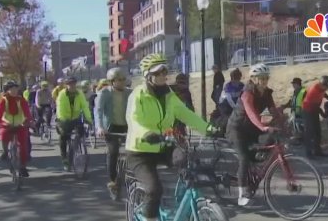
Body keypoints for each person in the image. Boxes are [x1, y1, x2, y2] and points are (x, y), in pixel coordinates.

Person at [125, 53, 218, 221]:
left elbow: (186, 114)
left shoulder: (169, 95)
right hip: (140, 151)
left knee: (186, 161)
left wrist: (208, 128)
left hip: (162, 145)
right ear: (147, 75)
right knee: (154, 189)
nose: (162, 76)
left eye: (164, 72)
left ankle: (182, 202)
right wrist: (146, 134)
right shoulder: (137, 95)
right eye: (157, 73)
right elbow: (133, 121)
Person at [225, 63, 281, 206]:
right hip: (236, 129)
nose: (264, 81)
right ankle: (242, 193)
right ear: (254, 79)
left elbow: (274, 110)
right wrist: (263, 126)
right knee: (244, 158)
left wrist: (284, 125)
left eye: (266, 78)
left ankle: (254, 168)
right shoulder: (247, 93)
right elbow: (251, 113)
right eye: (261, 78)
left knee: (269, 141)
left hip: (250, 128)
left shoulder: (267, 93)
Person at [95, 67, 132, 198]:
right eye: (119, 80)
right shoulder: (105, 93)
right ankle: (112, 181)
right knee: (113, 151)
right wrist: (100, 127)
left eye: (123, 79)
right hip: (111, 128)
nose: (122, 82)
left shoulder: (130, 93)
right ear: (112, 81)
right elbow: (98, 111)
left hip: (127, 126)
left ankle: (133, 176)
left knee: (135, 150)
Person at [0, 81, 33, 177]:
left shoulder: (21, 100)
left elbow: (27, 112)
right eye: (12, 88)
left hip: (20, 125)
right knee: (4, 134)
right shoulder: (4, 100)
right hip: (7, 124)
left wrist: (28, 121)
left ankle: (22, 166)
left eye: (16, 88)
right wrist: (2, 123)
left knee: (23, 147)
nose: (14, 90)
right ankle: (5, 152)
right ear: (8, 90)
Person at [56, 77, 92, 171]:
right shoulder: (62, 94)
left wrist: (89, 119)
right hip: (64, 118)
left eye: (73, 83)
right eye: (69, 84)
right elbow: (60, 108)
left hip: (76, 118)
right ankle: (64, 158)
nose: (72, 85)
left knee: (81, 132)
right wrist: (63, 119)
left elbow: (84, 106)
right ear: (66, 85)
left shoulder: (79, 93)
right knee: (63, 136)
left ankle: (77, 147)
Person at [302, 75, 328, 159]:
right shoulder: (314, 91)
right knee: (309, 132)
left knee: (317, 131)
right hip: (308, 110)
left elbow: (323, 93)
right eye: (326, 87)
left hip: (314, 109)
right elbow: (316, 107)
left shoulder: (321, 88)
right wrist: (324, 115)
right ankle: (309, 153)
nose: (326, 89)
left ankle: (317, 151)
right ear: (322, 85)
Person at [280, 77, 307, 142]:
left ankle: (303, 138)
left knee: (300, 126)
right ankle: (300, 138)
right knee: (295, 125)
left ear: (297, 84)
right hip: (296, 112)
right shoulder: (296, 91)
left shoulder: (304, 91)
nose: (293, 85)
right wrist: (285, 106)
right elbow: (292, 101)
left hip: (302, 113)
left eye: (294, 84)